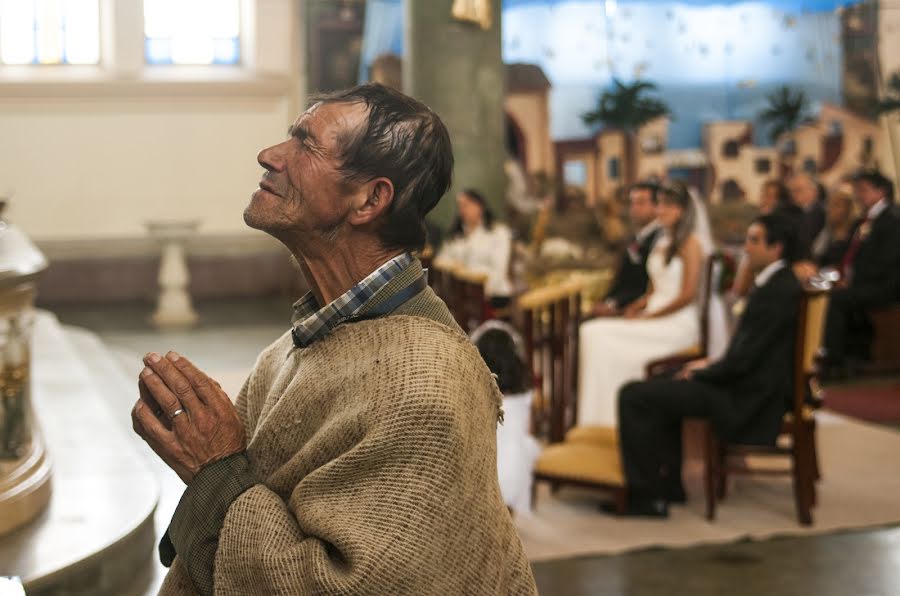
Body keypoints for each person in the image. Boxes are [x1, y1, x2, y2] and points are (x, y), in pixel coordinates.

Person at [130, 83, 537, 595]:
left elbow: (354, 587)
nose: (270, 155)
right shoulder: (290, 351)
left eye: (305, 144)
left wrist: (213, 468)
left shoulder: (426, 382)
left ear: (369, 199)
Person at [616, 214, 802, 517]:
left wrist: (703, 371)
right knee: (666, 379)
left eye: (755, 241)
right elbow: (750, 353)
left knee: (634, 395)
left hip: (746, 397)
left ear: (776, 248)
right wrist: (709, 363)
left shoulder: (777, 292)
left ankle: (645, 496)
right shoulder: (777, 284)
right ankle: (667, 487)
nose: (747, 248)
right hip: (746, 383)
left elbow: (744, 362)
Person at [577, 181, 706, 427]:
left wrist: (652, 316)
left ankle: (616, 418)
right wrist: (635, 307)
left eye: (668, 205)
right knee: (591, 332)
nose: (661, 210)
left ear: (682, 210)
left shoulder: (691, 244)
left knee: (599, 336)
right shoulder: (663, 242)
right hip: (654, 312)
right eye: (660, 204)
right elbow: (653, 289)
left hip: (677, 322)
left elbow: (688, 294)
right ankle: (598, 418)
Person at [822, 169, 900, 371]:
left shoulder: (892, 220)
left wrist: (852, 281)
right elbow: (846, 252)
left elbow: (888, 261)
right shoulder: (862, 222)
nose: (858, 196)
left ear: (881, 192)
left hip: (883, 287)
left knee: (836, 299)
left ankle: (834, 361)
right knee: (819, 291)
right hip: (860, 283)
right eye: (857, 190)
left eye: (863, 190)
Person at [471, 320, 541, 514]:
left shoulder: (474, 393)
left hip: (483, 468)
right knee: (525, 446)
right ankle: (510, 513)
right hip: (514, 467)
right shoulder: (525, 395)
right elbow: (529, 431)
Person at [435, 188, 515, 309]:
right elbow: (441, 260)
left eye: (466, 205)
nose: (463, 210)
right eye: (460, 206)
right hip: (461, 294)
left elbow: (499, 270)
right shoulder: (456, 235)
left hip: (492, 294)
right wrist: (455, 267)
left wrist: (479, 290)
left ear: (479, 206)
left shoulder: (498, 233)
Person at [592, 182, 662, 317]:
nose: (634, 208)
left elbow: (643, 284)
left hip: (638, 308)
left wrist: (616, 307)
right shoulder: (634, 237)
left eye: (640, 203)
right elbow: (622, 278)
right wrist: (607, 301)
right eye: (632, 202)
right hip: (620, 303)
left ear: (657, 206)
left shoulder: (661, 239)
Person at [810, 185, 858, 269]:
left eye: (837, 205)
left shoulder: (853, 234)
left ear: (848, 209)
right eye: (829, 204)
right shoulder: (821, 228)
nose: (830, 209)